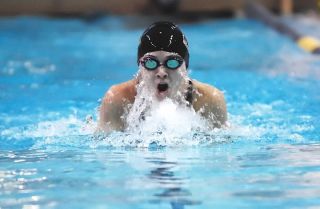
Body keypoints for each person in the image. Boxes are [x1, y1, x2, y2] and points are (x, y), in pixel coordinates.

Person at [98, 21, 227, 132]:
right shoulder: (118, 99)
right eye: (150, 62)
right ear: (140, 66)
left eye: (172, 62)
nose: (161, 72)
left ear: (185, 66)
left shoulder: (209, 100)